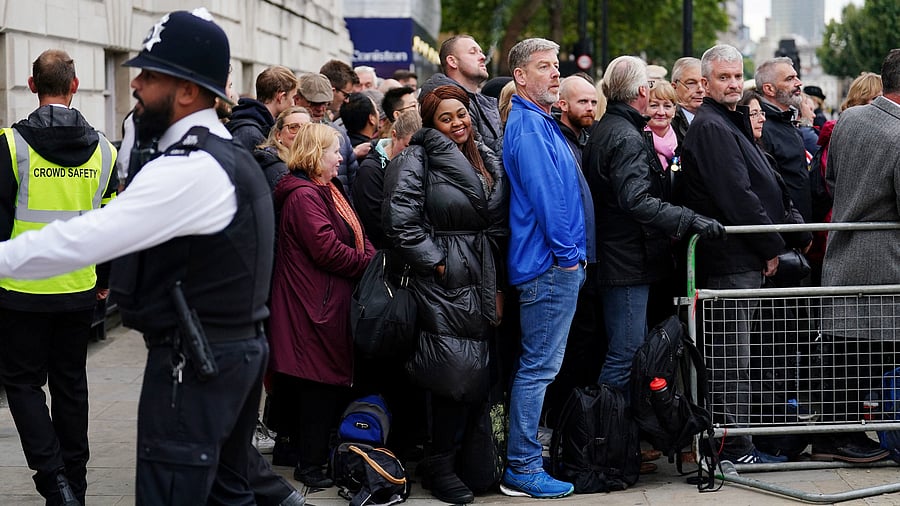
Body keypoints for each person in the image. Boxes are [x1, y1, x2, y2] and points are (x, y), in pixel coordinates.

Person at [0, 10, 303, 505]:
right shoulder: (216, 150)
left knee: (172, 490)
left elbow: (86, 237)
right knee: (231, 492)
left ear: (186, 90)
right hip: (222, 353)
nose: (135, 84)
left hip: (195, 363)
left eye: (148, 75)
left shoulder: (190, 166)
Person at [679, 44, 810, 465]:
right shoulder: (713, 126)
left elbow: (761, 181)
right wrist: (769, 245)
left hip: (741, 258)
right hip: (730, 261)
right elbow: (736, 194)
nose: (733, 84)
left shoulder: (727, 120)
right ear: (705, 83)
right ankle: (733, 449)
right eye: (723, 77)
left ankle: (736, 445)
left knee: (737, 359)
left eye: (737, 76)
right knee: (729, 362)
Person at [0, 48, 117, 506]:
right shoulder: (104, 150)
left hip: (21, 289)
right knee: (71, 383)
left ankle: (54, 481)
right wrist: (103, 279)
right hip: (77, 288)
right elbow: (110, 223)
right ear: (75, 86)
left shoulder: (10, 145)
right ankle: (77, 484)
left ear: (32, 86)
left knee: (24, 384)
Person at [381, 84, 507, 504]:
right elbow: (400, 221)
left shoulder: (483, 154)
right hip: (444, 280)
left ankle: (466, 461)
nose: (458, 123)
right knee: (453, 373)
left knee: (477, 374)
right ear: (432, 123)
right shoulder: (416, 158)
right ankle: (438, 464)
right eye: (446, 118)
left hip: (481, 274)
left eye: (462, 114)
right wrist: (439, 263)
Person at [584, 56, 722, 396]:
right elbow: (636, 201)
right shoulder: (626, 135)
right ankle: (606, 435)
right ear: (642, 91)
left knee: (627, 349)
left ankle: (615, 435)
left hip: (622, 255)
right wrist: (689, 219)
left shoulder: (609, 128)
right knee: (625, 352)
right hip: (626, 260)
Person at [501, 38, 586, 499]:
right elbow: (548, 198)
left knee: (539, 368)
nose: (555, 74)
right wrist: (569, 256)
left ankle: (525, 459)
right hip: (549, 265)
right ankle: (522, 466)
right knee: (538, 369)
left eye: (556, 66)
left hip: (553, 263)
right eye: (543, 67)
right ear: (520, 76)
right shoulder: (531, 127)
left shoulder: (539, 121)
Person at [267, 122, 375, 488]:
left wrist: (374, 260)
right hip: (313, 305)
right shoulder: (304, 196)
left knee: (317, 385)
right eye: (334, 151)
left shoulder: (326, 190)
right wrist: (369, 266)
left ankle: (304, 456)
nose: (340, 157)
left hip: (322, 301)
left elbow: (357, 235)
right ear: (316, 155)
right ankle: (309, 467)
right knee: (318, 387)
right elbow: (327, 249)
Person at [814, 49, 900, 464]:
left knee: (845, 353)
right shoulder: (897, 134)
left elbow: (831, 178)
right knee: (867, 355)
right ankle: (841, 436)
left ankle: (840, 434)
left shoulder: (850, 118)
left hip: (843, 252)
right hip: (883, 261)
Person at [420, 35, 503, 153]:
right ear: (452, 61)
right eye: (473, 52)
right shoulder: (445, 101)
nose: (483, 57)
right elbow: (478, 154)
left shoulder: (482, 101)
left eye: (481, 52)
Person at [352, 108, 420, 249]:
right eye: (407, 146)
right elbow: (375, 224)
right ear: (394, 136)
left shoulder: (420, 164)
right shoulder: (370, 171)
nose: (413, 154)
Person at [755, 57, 812, 222]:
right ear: (769, 89)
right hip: (785, 231)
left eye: (796, 76)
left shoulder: (786, 121)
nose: (798, 83)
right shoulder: (762, 128)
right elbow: (769, 188)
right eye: (790, 79)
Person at [227, 65, 299, 152]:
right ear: (281, 97)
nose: (294, 105)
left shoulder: (263, 127)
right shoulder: (250, 133)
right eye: (293, 98)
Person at [254, 106, 311, 192]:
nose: (301, 133)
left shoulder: (307, 164)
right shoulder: (279, 170)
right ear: (278, 135)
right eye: (294, 127)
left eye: (307, 128)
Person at [670, 56, 705, 143]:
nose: (700, 89)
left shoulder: (719, 119)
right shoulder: (665, 121)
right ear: (674, 87)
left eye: (704, 83)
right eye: (691, 83)